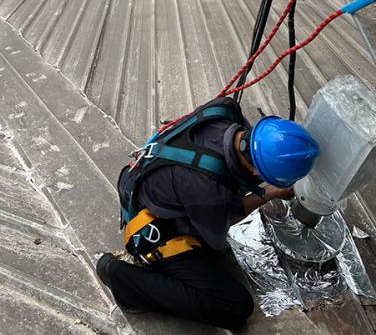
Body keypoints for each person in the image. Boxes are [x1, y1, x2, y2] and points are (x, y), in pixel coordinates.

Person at [96, 97, 319, 330]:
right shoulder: (209, 191)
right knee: (234, 306)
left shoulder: (225, 110)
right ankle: (122, 279)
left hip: (148, 180)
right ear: (256, 169)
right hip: (149, 226)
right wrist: (271, 192)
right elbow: (225, 223)